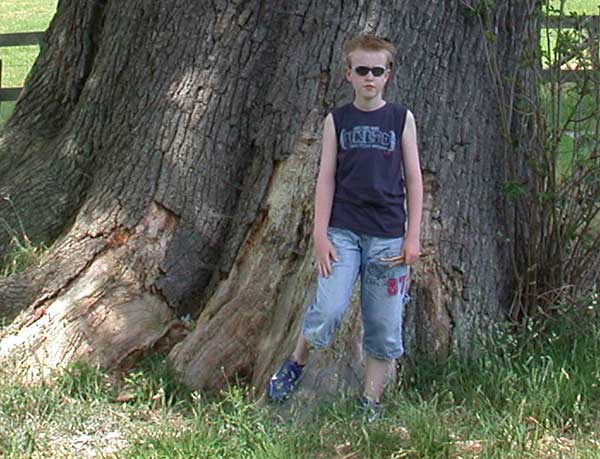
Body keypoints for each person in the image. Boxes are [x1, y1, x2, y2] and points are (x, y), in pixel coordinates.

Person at [267, 34, 423, 419]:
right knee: (329, 307)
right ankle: (296, 363)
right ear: (348, 74)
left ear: (388, 75)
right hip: (343, 233)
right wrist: (320, 235)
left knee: (383, 324)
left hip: (388, 238)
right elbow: (326, 178)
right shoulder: (337, 120)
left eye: (377, 71)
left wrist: (413, 236)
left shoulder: (401, 118)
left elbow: (414, 179)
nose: (370, 77)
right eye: (362, 70)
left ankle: (369, 402)